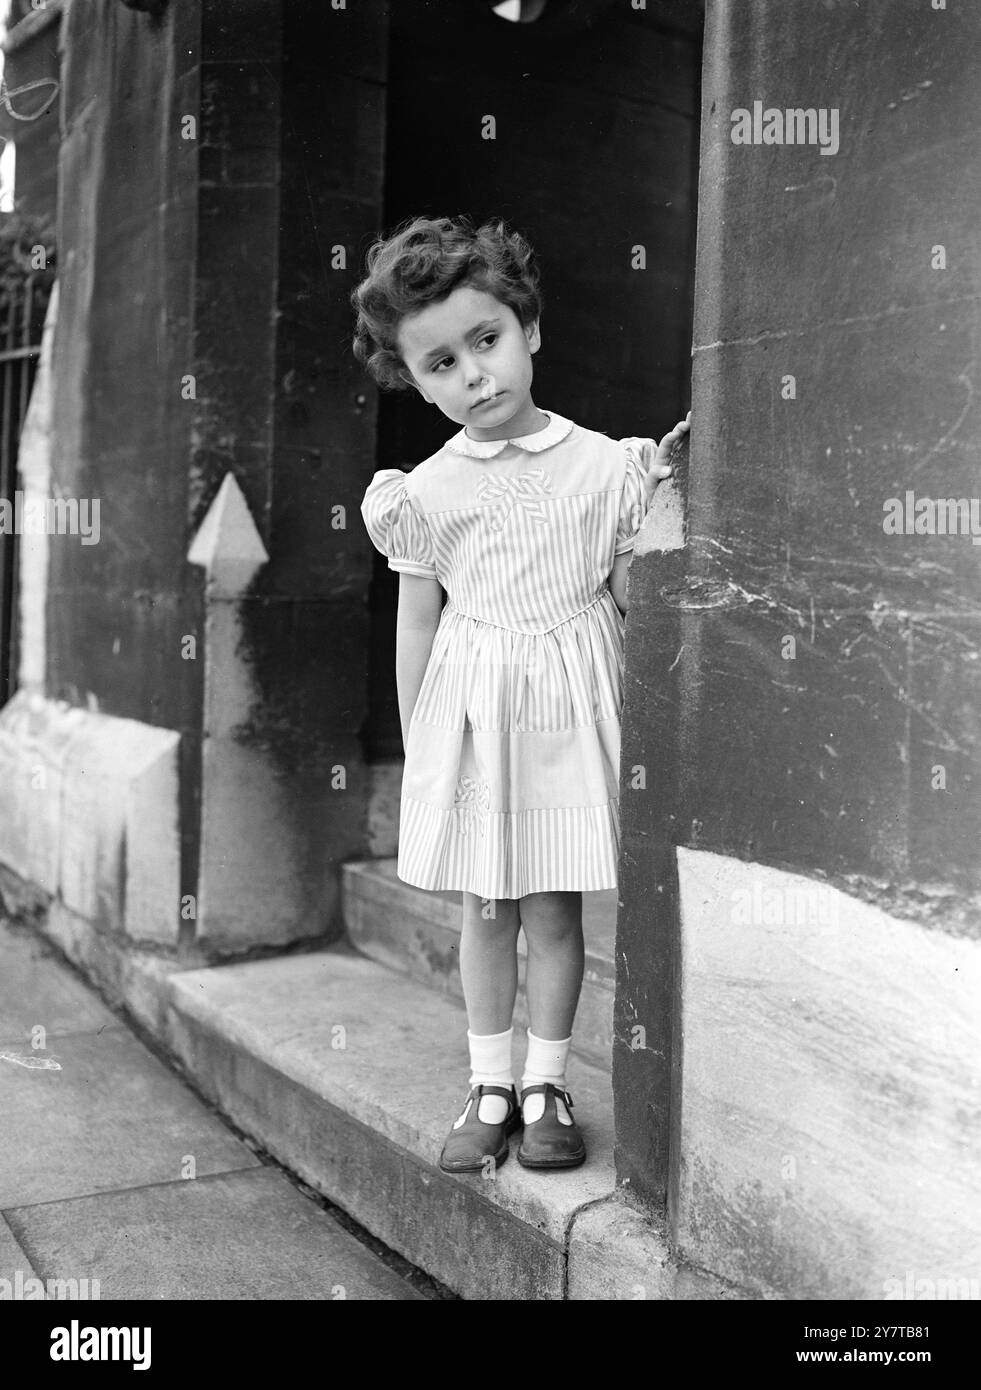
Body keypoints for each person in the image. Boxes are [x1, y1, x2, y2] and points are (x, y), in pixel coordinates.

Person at [354, 215, 690, 1174]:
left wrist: (663, 499)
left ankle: (547, 1081)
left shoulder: (606, 467)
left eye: (487, 341)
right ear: (412, 379)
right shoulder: (421, 490)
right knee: (485, 910)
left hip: (566, 706)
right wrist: (424, 740)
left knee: (552, 911)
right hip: (474, 716)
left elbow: (629, 597)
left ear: (530, 330)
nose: (473, 376)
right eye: (440, 364)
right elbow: (417, 620)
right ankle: (488, 1082)